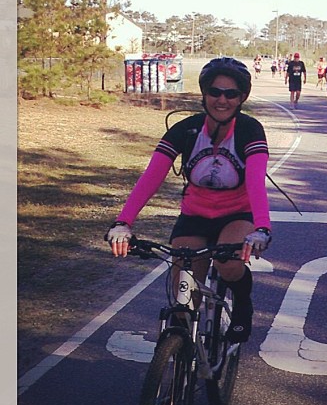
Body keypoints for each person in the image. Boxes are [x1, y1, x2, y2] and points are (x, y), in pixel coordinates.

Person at [106, 57, 272, 344]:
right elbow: (152, 176)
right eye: (215, 92)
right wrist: (123, 222)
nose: (222, 100)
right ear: (204, 94)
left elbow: (256, 181)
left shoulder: (249, 130)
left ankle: (243, 305)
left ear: (241, 98)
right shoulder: (186, 129)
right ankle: (180, 349)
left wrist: (262, 228)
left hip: (236, 215)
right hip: (195, 216)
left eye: (231, 94)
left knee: (229, 265)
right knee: (183, 295)